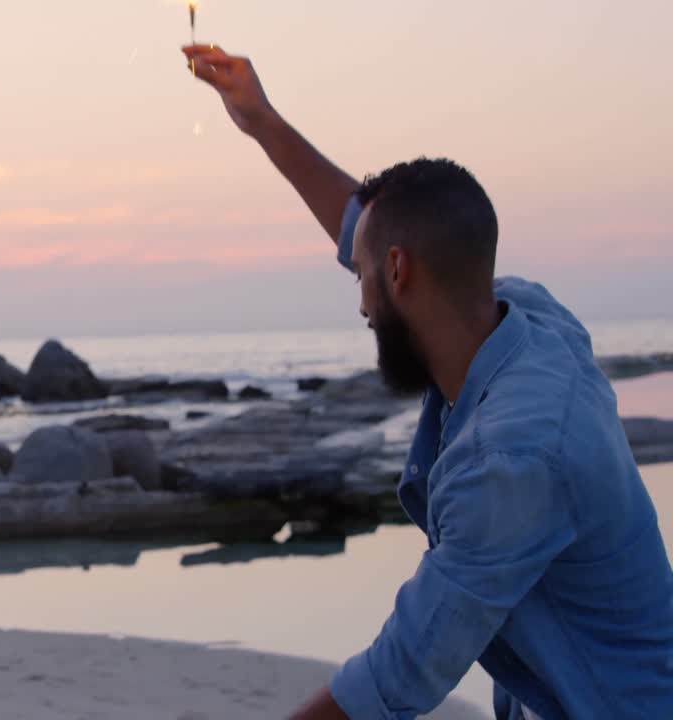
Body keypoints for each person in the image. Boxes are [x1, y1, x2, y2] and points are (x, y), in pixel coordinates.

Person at [181, 44, 673, 719]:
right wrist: (261, 120)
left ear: (397, 271)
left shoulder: (509, 459)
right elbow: (368, 230)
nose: (360, 302)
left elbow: (395, 679)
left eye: (362, 277)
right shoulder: (524, 315)